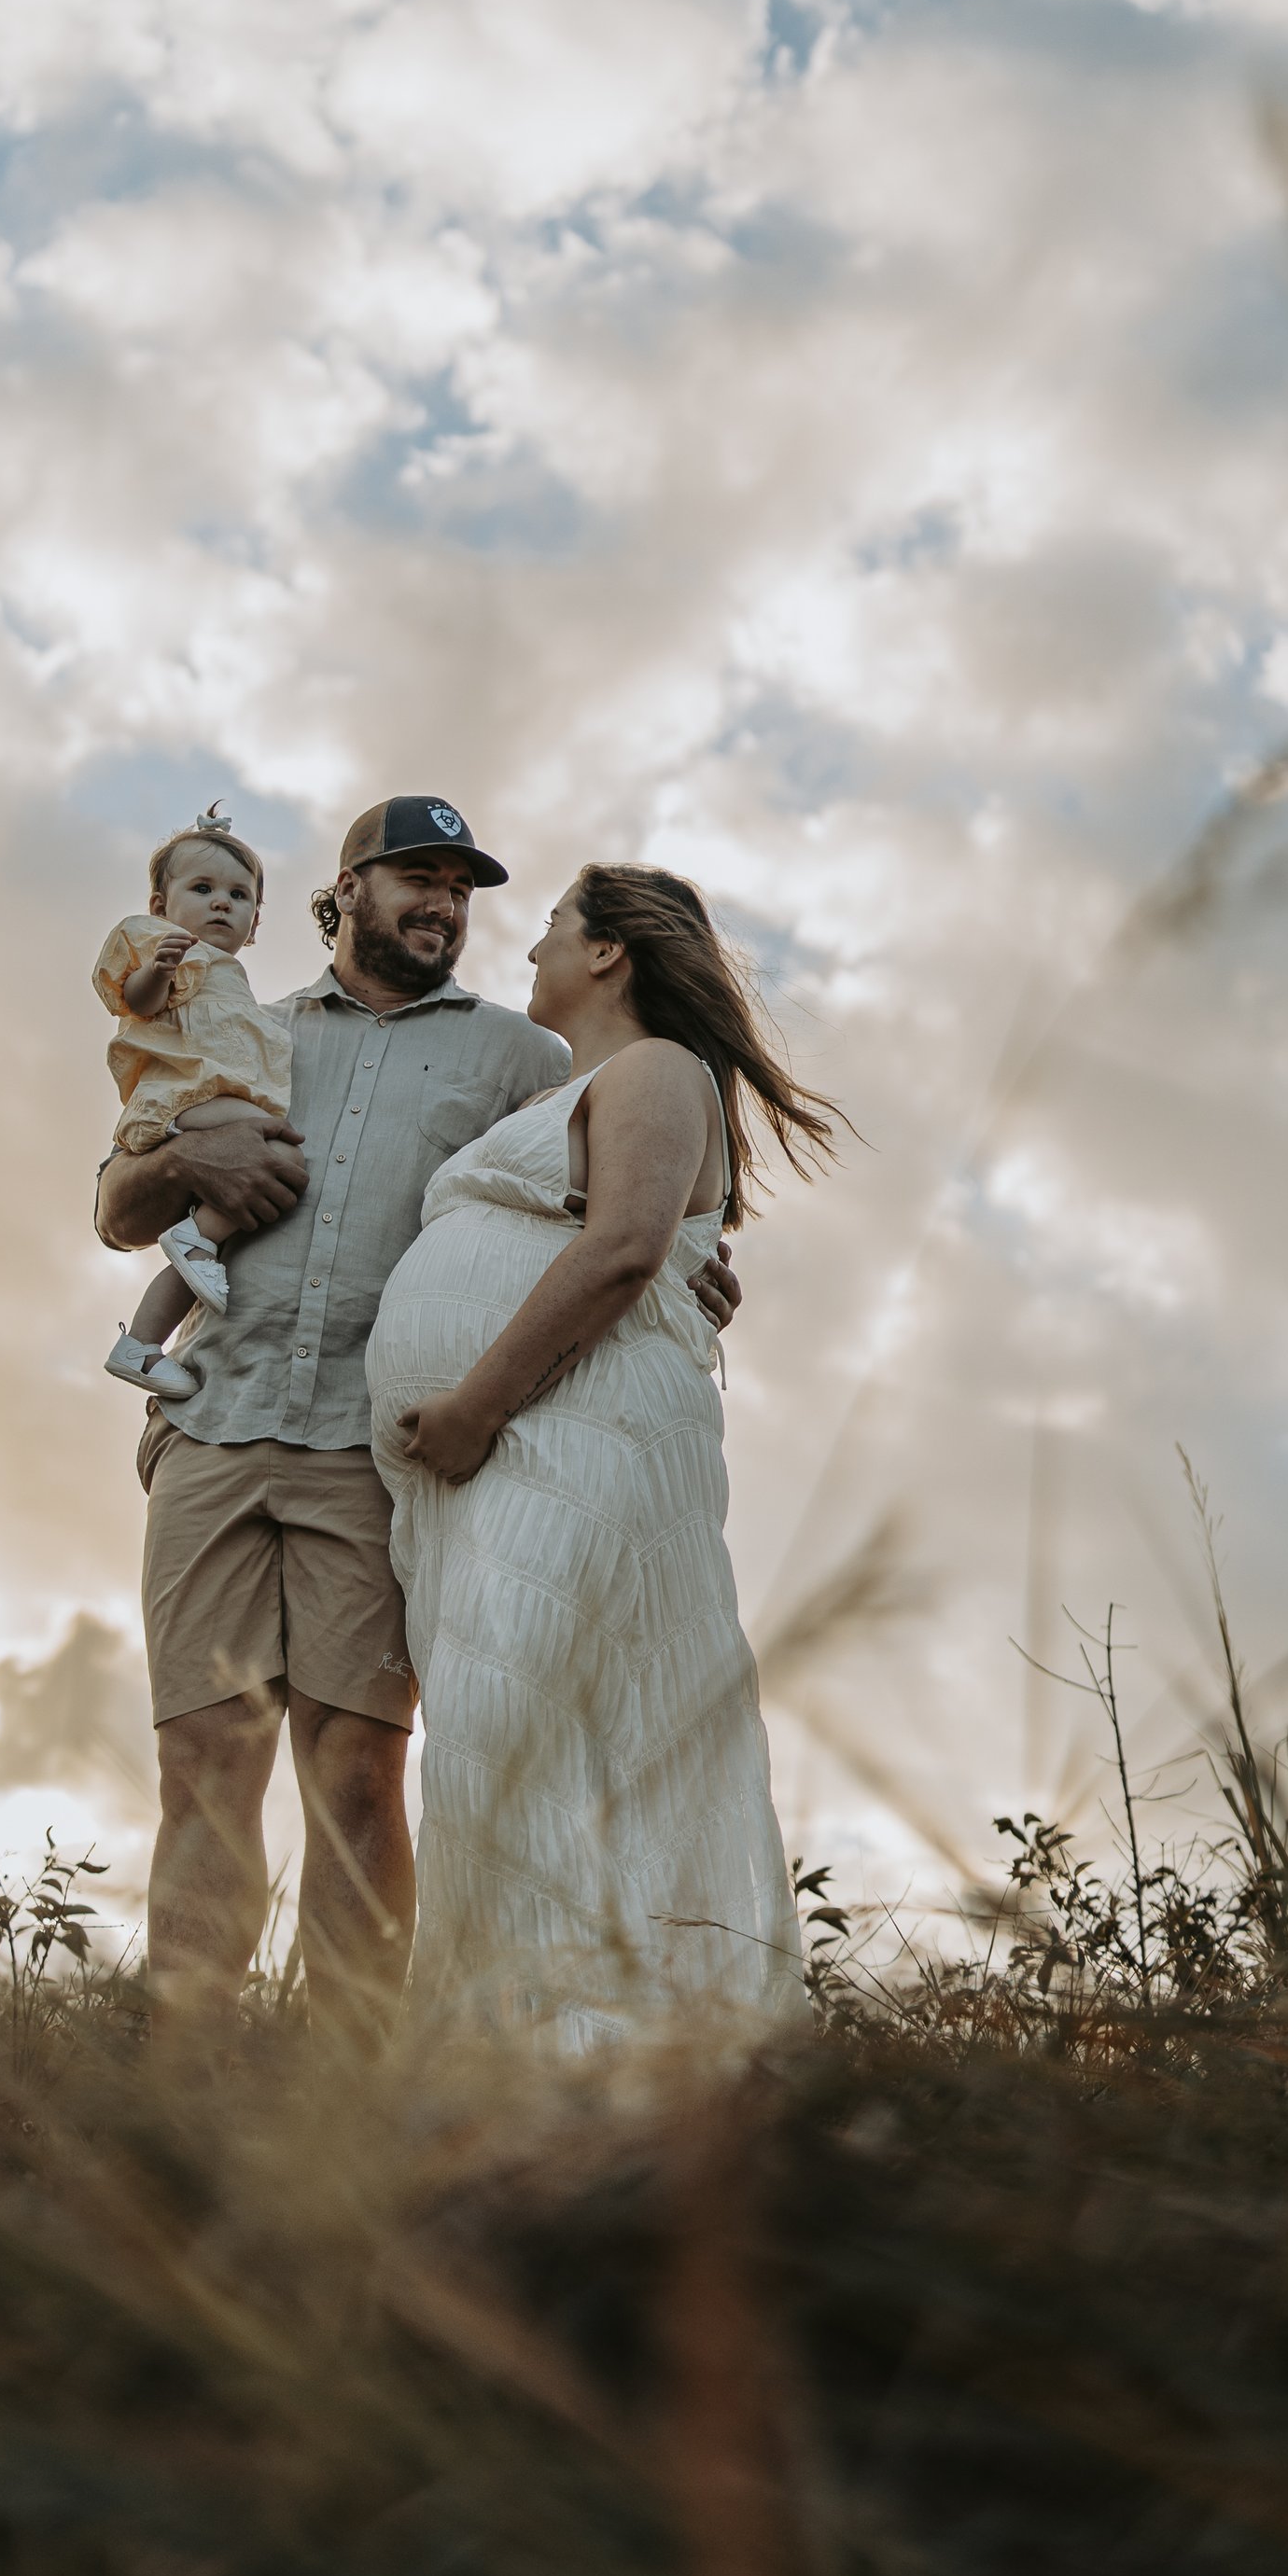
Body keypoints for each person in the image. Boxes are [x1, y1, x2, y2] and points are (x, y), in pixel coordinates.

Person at [92, 796, 744, 2044]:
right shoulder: (242, 1024)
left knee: (354, 1769)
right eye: (416, 876)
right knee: (205, 1765)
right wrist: (192, 1168)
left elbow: (628, 1185)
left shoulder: (524, 1058)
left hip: (375, 1454)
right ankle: (178, 2074)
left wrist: (697, 1266)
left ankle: (342, 2081)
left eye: (463, 885)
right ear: (345, 889)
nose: (443, 902)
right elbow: (121, 1200)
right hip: (215, 1429)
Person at [367, 864, 841, 2039]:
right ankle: (527, 2062)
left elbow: (626, 1245)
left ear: (608, 953)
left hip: (564, 1436)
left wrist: (475, 1403)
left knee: (525, 1740)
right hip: (509, 1459)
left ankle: (582, 2063)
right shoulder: (576, 1090)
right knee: (505, 1744)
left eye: (546, 932)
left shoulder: (662, 1068)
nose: (526, 954)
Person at [93, 817, 290, 1401]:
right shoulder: (167, 948)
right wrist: (159, 969)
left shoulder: (237, 981)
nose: (222, 904)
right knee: (273, 1144)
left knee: (211, 1249)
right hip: (178, 1102)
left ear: (255, 922)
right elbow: (136, 1003)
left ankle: (142, 1349)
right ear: (161, 904)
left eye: (239, 896)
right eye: (202, 889)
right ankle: (195, 1239)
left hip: (208, 1104)